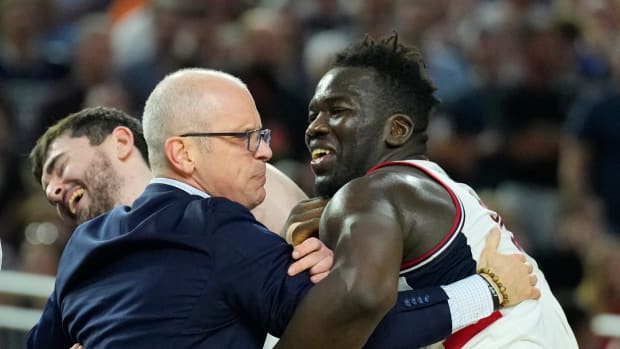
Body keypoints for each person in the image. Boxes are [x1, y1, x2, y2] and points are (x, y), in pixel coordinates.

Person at [28, 69, 536, 349]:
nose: (265, 151)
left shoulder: (84, 244)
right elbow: (353, 329)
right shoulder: (220, 228)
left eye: (262, 136)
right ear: (183, 153)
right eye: (244, 139)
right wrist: (486, 291)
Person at [279, 33, 577, 348]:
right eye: (313, 114)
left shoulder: (374, 191)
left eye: (337, 111)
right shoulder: (440, 193)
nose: (315, 127)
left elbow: (354, 311)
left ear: (397, 130)